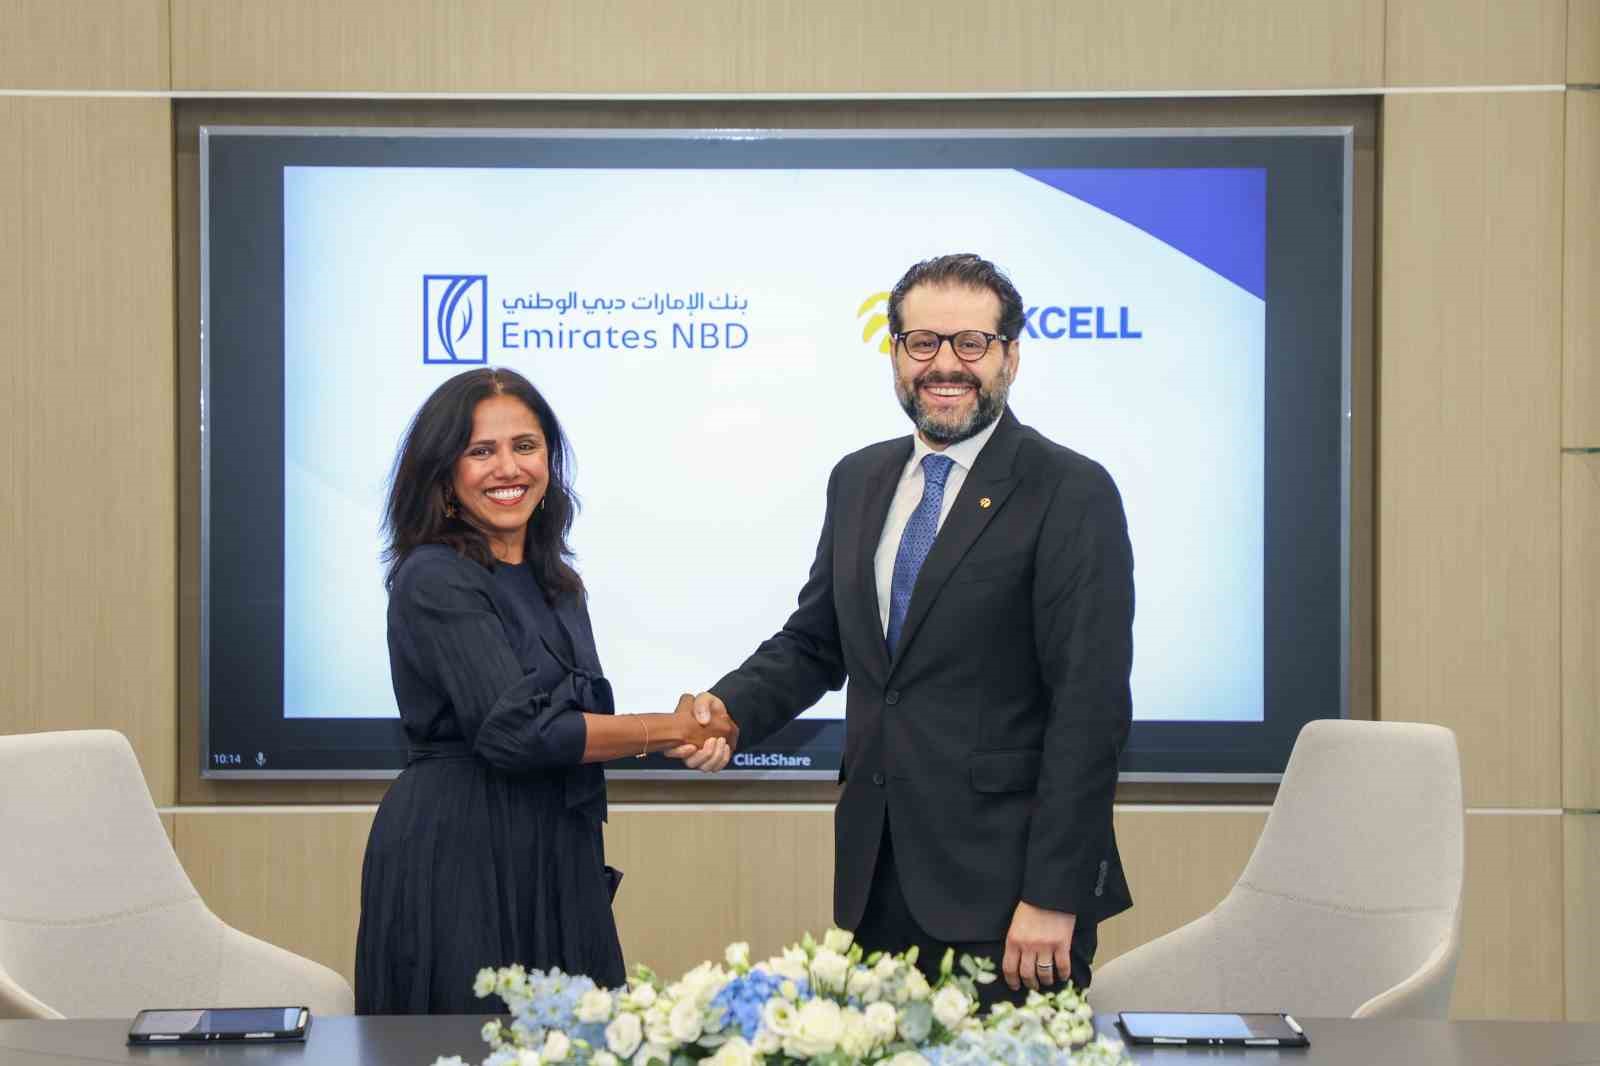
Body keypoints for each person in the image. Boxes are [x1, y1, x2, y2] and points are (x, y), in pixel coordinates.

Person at [685, 253, 1135, 1002]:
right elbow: (817, 641)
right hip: (877, 881)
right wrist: (728, 710)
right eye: (923, 342)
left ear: (1011, 356)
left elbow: (1090, 709)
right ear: (895, 353)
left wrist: (1054, 895)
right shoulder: (858, 479)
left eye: (971, 343)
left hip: (1010, 898)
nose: (945, 365)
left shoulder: (1070, 491)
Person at [355, 367, 736, 1014]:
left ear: (549, 461)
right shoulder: (434, 577)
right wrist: (672, 727)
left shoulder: (556, 582)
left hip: (557, 849)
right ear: (443, 472)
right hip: (461, 857)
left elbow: (577, 725)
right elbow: (521, 732)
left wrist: (696, 731)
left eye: (525, 446)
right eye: (481, 451)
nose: (509, 468)